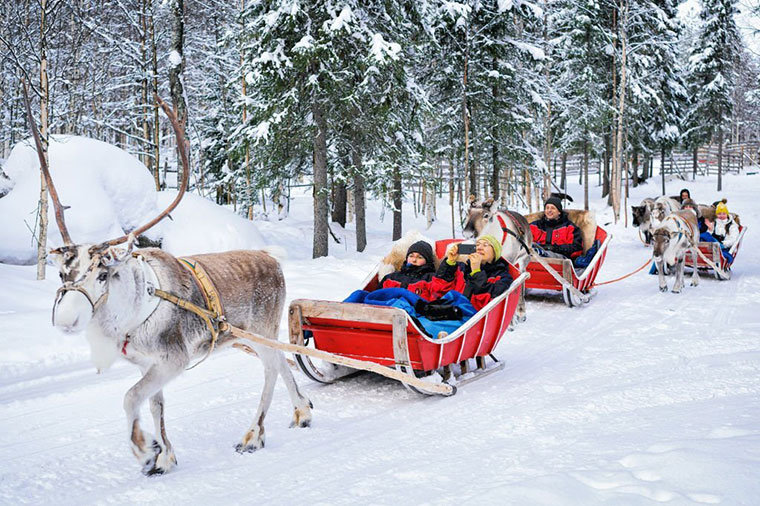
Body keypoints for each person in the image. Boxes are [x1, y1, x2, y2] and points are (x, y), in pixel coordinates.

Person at [430, 235, 513, 311]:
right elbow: (438, 288)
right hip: (446, 309)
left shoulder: (502, 276)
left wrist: (476, 272)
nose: (479, 248)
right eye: (477, 245)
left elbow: (486, 303)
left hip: (468, 317)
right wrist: (450, 262)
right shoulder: (463, 267)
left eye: (485, 245)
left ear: (495, 252)